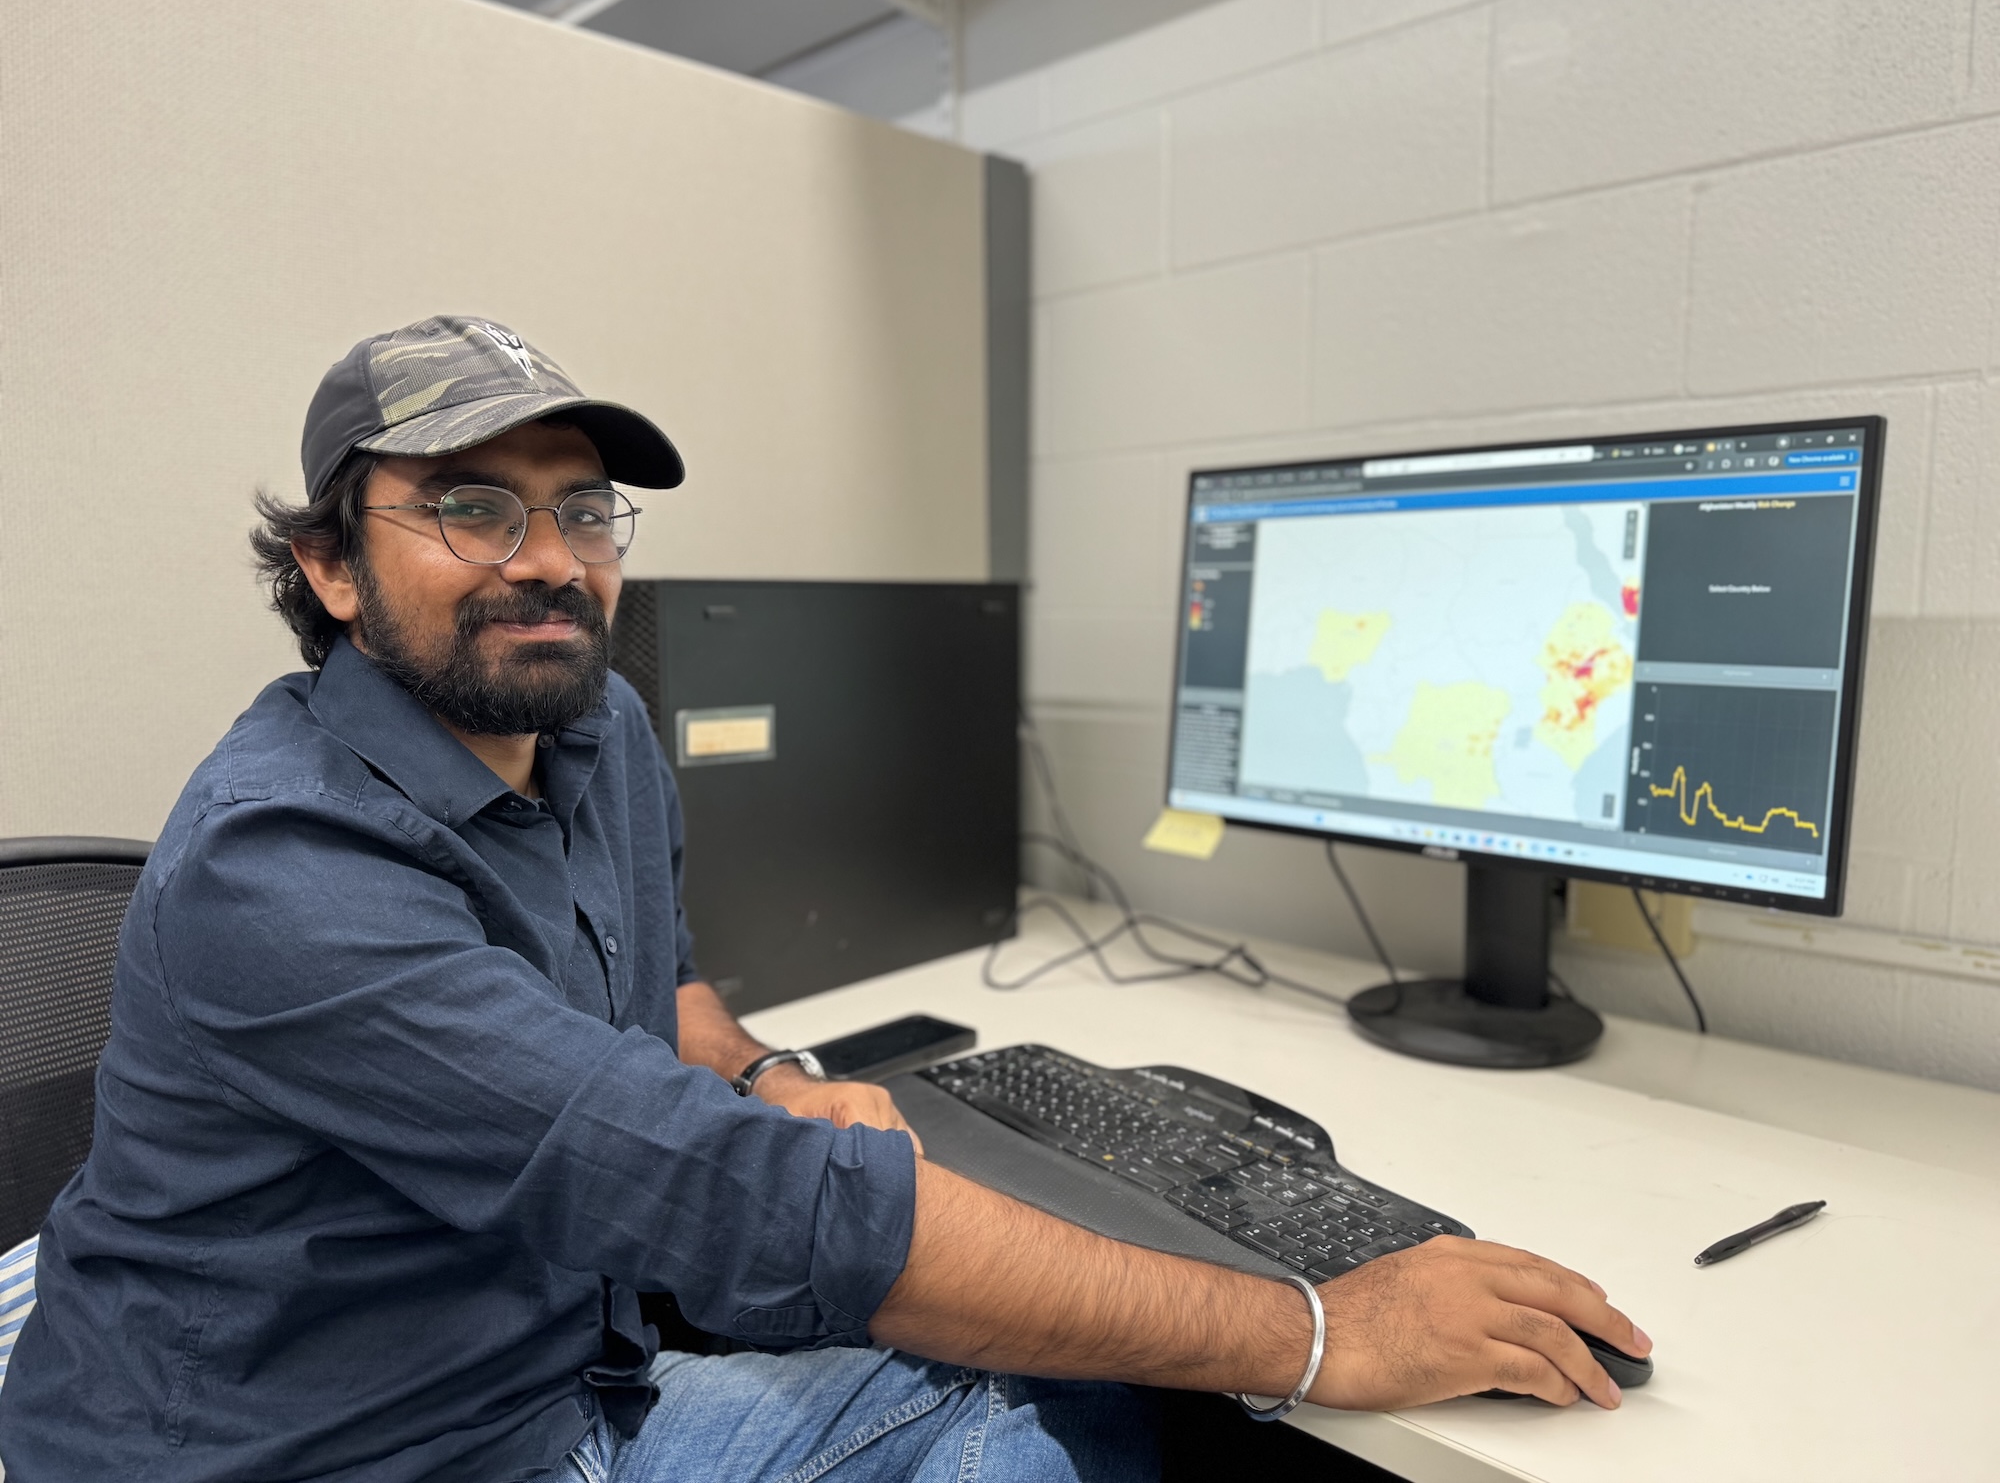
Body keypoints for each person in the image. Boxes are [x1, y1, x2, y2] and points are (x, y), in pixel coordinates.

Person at [0, 317, 1649, 1483]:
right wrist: (1322, 1332)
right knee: (1072, 1423)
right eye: (472, 506)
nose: (552, 558)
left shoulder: (594, 728)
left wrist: (769, 1076)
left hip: (536, 1350)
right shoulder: (282, 873)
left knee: (1080, 1362)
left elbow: (654, 990)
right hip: (342, 1449)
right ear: (333, 568)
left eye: (583, 509)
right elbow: (757, 1215)